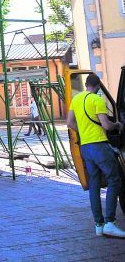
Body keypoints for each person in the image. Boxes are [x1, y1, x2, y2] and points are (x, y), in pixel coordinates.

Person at [67, 72, 125, 239]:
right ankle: (110, 222)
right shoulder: (97, 100)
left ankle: (99, 225)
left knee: (94, 184)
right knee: (114, 180)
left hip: (86, 148)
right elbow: (106, 125)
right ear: (98, 86)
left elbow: (70, 122)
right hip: (99, 145)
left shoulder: (76, 99)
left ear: (86, 85)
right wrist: (118, 125)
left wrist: (84, 133)